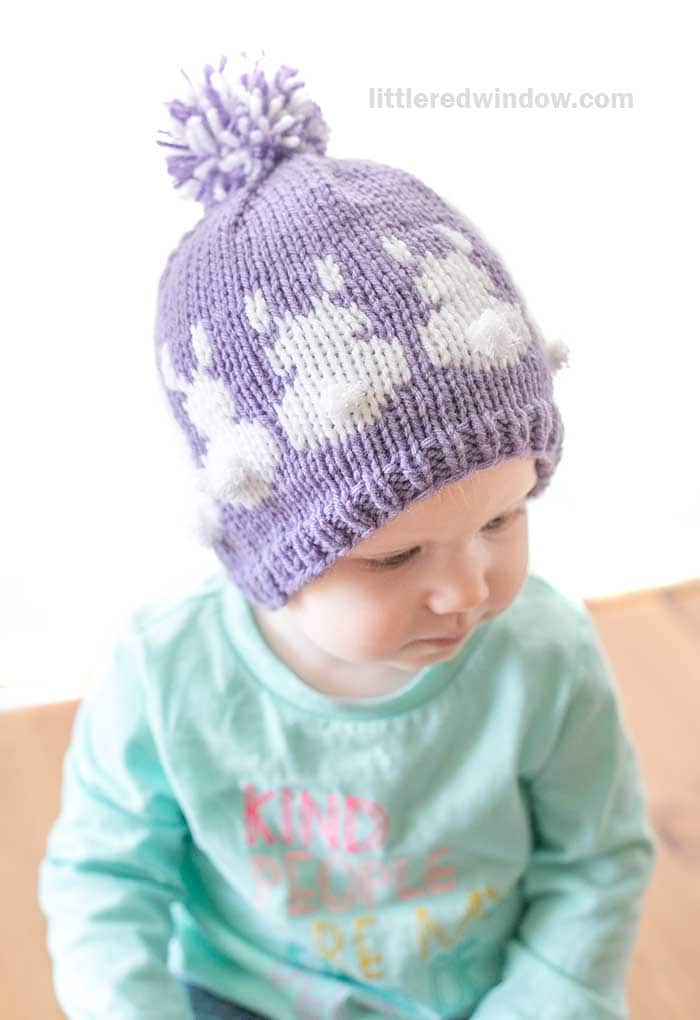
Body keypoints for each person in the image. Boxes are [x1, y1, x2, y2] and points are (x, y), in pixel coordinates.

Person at [37, 52, 656, 1020]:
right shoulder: (167, 671)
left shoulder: (543, 655)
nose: (467, 590)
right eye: (395, 555)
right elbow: (101, 882)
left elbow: (596, 862)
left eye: (502, 518)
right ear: (265, 552)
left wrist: (545, 1000)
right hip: (241, 993)